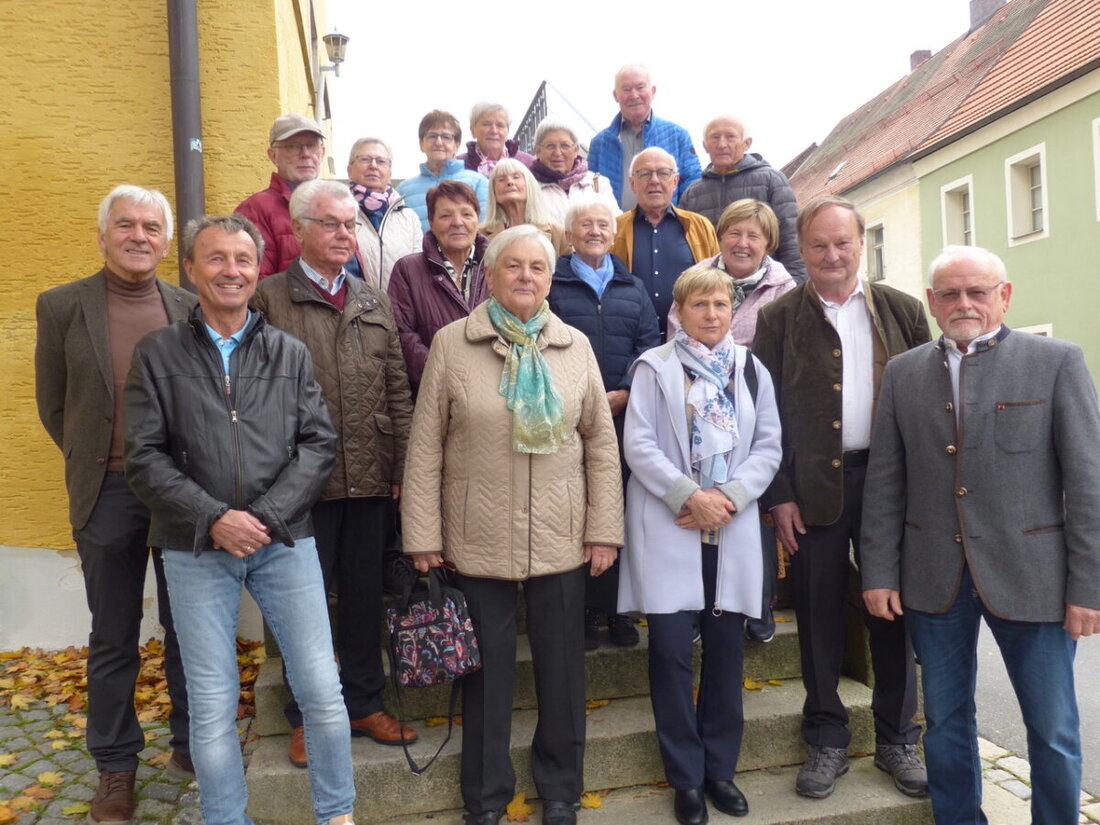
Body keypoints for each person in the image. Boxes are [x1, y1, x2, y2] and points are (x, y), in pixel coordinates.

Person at [124, 214, 356, 825]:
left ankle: (337, 814)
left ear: (258, 270)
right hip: (193, 545)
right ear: (190, 269)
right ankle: (225, 819)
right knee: (210, 702)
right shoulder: (157, 353)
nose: (231, 270)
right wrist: (213, 518)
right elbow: (142, 457)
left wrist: (265, 517)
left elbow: (318, 444)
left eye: (243, 259)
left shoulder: (289, 352)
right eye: (216, 258)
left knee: (321, 689)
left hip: (284, 540)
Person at [861, 245, 1100, 825]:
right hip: (932, 577)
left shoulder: (1057, 361)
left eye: (977, 291)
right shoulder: (903, 373)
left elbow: (1087, 483)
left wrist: (1088, 587)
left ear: (1004, 296)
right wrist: (879, 573)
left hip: (1035, 579)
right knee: (944, 722)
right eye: (950, 293)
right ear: (931, 301)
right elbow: (886, 481)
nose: (964, 303)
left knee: (1052, 729)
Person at [402, 225, 624, 825]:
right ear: (490, 275)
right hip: (476, 535)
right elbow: (425, 446)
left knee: (563, 673)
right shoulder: (453, 344)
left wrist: (604, 529)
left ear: (551, 279)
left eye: (537, 267)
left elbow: (601, 445)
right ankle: (485, 796)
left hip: (561, 534)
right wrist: (422, 536)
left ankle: (561, 789)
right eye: (513, 266)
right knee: (486, 676)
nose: (526, 276)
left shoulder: (575, 346)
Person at [751, 195, 930, 800]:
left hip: (890, 486)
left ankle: (898, 737)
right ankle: (826, 737)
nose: (832, 254)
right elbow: (762, 416)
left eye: (843, 242)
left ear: (860, 243)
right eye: (819, 245)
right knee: (819, 616)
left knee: (894, 613)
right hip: (811, 492)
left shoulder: (903, 311)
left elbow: (930, 405)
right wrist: (778, 495)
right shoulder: (778, 318)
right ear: (802, 250)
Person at [35, 185, 195, 824]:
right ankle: (115, 766)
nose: (138, 236)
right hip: (107, 491)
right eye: (125, 225)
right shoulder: (62, 306)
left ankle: (192, 745)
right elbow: (55, 404)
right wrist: (100, 458)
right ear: (103, 235)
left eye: (152, 227)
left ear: (167, 240)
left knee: (190, 626)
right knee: (113, 634)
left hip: (181, 492)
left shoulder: (188, 307)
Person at [251, 179, 417, 767]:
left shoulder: (372, 300)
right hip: (300, 482)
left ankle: (365, 703)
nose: (345, 234)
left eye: (350, 224)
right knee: (303, 603)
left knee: (364, 596)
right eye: (331, 223)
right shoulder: (269, 299)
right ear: (298, 230)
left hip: (370, 474)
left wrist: (402, 464)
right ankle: (306, 715)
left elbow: (397, 388)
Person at [619, 264, 782, 825]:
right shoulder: (654, 366)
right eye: (699, 305)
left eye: (720, 305)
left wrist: (727, 498)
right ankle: (686, 778)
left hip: (730, 525)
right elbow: (639, 444)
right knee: (669, 654)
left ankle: (720, 770)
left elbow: (769, 445)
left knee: (726, 653)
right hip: (673, 523)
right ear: (678, 312)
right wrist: (690, 496)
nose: (711, 314)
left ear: (732, 311)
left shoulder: (751, 369)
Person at [668, 199, 797, 646]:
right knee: (699, 502)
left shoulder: (784, 288)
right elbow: (676, 336)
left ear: (768, 243)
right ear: (720, 236)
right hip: (693, 403)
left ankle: (757, 601)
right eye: (734, 233)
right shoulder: (695, 277)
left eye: (753, 236)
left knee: (750, 503)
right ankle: (698, 606)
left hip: (756, 399)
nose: (743, 243)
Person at [548, 199, 660, 650]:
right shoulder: (553, 283)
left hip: (623, 415)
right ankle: (584, 611)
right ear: (569, 235)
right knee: (575, 510)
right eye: (585, 225)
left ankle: (617, 609)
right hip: (567, 417)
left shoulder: (633, 288)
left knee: (620, 511)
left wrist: (627, 393)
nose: (595, 231)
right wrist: (581, 400)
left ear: (613, 235)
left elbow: (649, 346)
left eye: (602, 225)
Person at [387, 180, 489, 396]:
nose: (457, 222)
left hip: (491, 392)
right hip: (433, 393)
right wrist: (445, 378)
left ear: (477, 220)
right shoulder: (408, 270)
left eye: (466, 214)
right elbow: (402, 335)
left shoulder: (497, 266)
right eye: (445, 216)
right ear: (431, 222)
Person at [680, 117, 806, 283]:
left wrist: (796, 287)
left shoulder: (771, 181)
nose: (722, 144)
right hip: (710, 290)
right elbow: (683, 249)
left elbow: (791, 240)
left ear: (746, 143)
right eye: (715, 137)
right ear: (705, 145)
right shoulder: (692, 194)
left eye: (730, 136)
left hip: (765, 287)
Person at [611, 148, 718, 338]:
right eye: (645, 174)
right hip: (632, 337)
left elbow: (718, 282)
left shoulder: (700, 227)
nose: (654, 180)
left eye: (663, 173)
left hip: (689, 338)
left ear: (675, 181)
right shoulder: (614, 229)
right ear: (632, 183)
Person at [587, 64, 701, 209]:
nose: (634, 95)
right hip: (615, 223)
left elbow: (693, 187)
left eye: (640, 87)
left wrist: (675, 220)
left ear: (653, 91)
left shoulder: (678, 136)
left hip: (666, 223)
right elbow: (590, 191)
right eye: (626, 89)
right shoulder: (600, 144)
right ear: (615, 95)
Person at [236, 113, 325, 278]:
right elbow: (259, 284)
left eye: (312, 145)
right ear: (273, 156)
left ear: (322, 153)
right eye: (293, 147)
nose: (305, 154)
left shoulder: (337, 205)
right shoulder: (255, 209)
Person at [344, 137, 421, 291]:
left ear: (390, 172)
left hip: (399, 305)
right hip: (351, 303)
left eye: (381, 161)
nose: (373, 166)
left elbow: (417, 273)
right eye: (365, 159)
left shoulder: (409, 218)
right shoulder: (338, 212)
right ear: (349, 170)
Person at [396, 110, 490, 231]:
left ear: (457, 145)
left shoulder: (479, 183)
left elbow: (485, 229)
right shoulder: (403, 190)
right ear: (421, 144)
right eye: (432, 136)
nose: (439, 142)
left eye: (446, 137)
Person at [529, 117, 620, 227]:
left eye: (565, 145)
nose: (557, 153)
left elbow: (617, 224)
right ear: (538, 151)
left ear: (576, 149)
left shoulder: (597, 183)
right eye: (550, 146)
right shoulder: (528, 187)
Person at [480, 159, 569, 257]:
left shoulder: (558, 234)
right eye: (501, 179)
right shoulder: (480, 234)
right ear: (494, 192)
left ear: (529, 186)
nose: (509, 182)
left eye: (516, 177)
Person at [457, 102, 535, 176]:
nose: (494, 131)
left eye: (500, 125)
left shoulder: (529, 164)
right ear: (472, 130)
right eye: (486, 124)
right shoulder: (458, 166)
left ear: (507, 131)